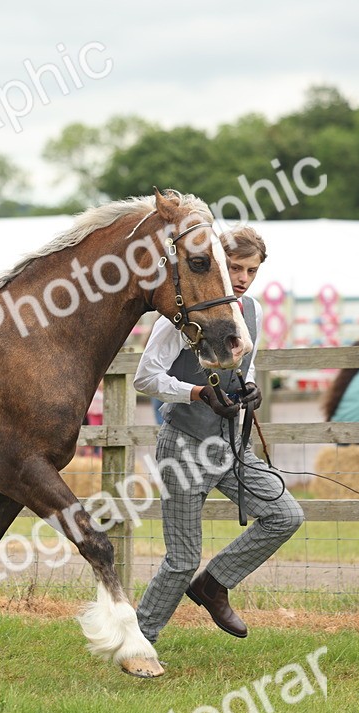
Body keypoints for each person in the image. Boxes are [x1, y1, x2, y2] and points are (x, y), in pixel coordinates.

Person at [133, 226, 304, 644]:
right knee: (182, 559)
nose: (243, 277)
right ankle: (139, 638)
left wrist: (249, 388)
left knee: (286, 516)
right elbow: (145, 378)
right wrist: (195, 392)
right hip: (184, 446)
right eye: (235, 267)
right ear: (216, 264)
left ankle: (213, 584)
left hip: (231, 445)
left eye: (252, 270)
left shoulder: (253, 312)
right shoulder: (181, 314)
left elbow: (247, 364)